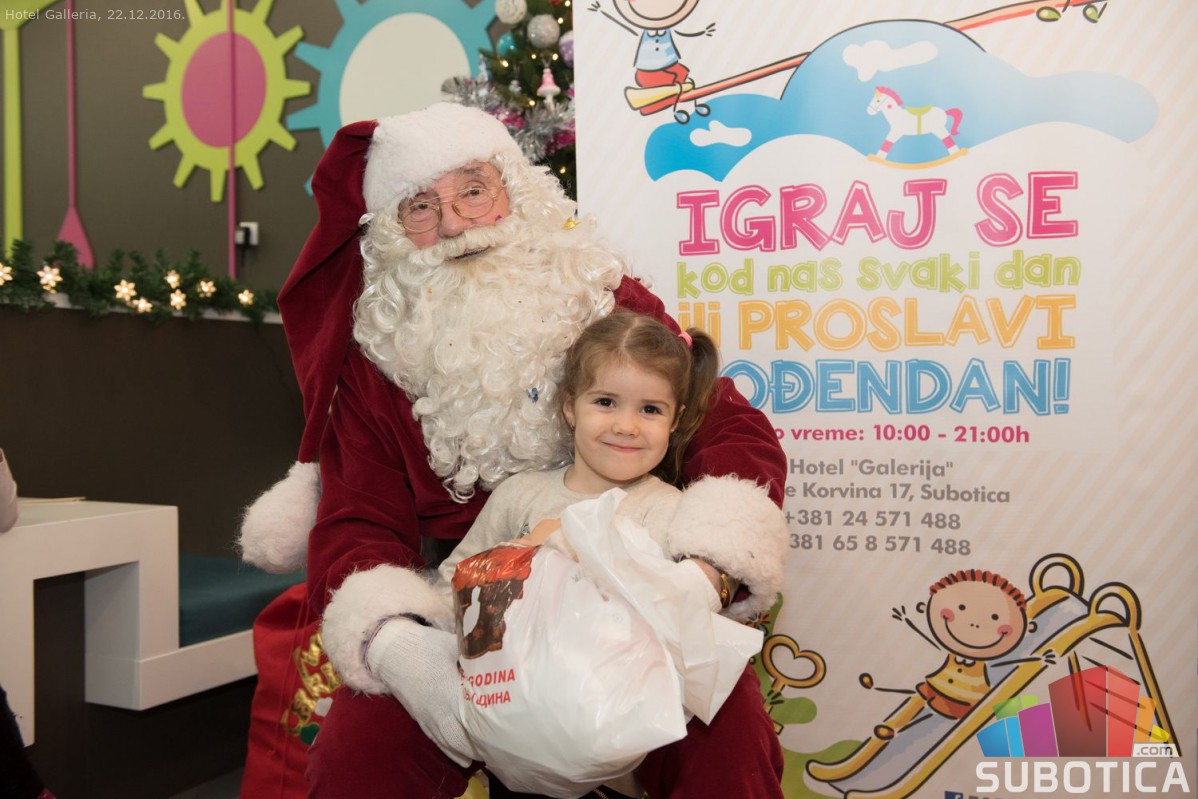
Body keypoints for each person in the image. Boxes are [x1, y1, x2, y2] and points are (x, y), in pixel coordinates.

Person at [237, 102, 788, 799]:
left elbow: (728, 428)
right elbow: (355, 520)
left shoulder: (594, 292)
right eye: (420, 207)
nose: (455, 225)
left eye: (473, 189)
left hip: (632, 595)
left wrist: (703, 575)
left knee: (727, 734)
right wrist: (404, 650)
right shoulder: (378, 358)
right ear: (392, 234)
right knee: (360, 749)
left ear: (516, 190)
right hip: (466, 611)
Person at [435, 311, 785, 797]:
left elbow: (678, 620)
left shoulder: (674, 513)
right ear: (570, 407)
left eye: (650, 409)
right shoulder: (519, 496)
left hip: (623, 734)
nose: (626, 426)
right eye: (605, 402)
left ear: (676, 419)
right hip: (521, 719)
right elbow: (453, 582)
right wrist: (522, 555)